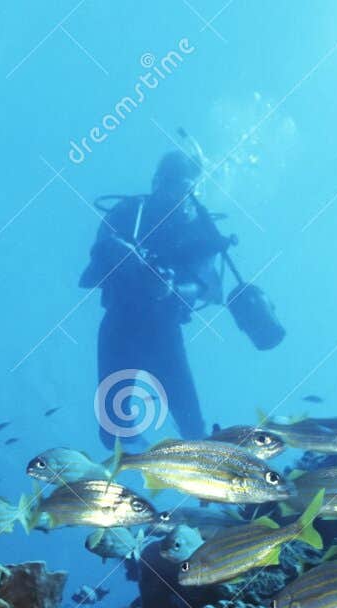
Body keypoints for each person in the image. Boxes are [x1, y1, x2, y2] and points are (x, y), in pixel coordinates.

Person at [80, 150, 229, 448]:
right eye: (166, 183)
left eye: (179, 187)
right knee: (111, 433)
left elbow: (210, 290)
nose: (171, 194)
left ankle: (195, 470)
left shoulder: (200, 231)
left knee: (193, 429)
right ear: (156, 182)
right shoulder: (129, 212)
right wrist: (118, 255)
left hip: (164, 332)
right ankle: (137, 464)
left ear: (191, 190)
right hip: (120, 322)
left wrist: (171, 289)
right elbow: (89, 275)